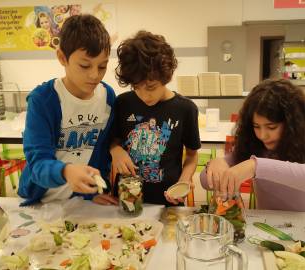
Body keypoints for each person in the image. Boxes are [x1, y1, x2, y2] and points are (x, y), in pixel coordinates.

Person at [18, 14, 118, 206]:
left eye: (102, 66)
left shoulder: (107, 97)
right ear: (62, 57)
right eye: (84, 65)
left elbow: (102, 152)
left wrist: (93, 192)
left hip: (80, 202)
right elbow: (37, 162)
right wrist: (65, 171)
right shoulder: (43, 101)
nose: (94, 75)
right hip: (42, 201)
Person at [201, 79, 305, 211]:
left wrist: (255, 166)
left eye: (271, 127)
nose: (262, 135)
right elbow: (205, 182)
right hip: (269, 224)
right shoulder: (253, 142)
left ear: (292, 124)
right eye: (256, 126)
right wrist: (216, 164)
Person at [111, 31, 201, 206]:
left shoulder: (185, 109)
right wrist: (115, 150)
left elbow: (191, 155)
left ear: (167, 77)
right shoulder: (123, 103)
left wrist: (184, 179)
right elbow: (113, 140)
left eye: (151, 87)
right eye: (136, 86)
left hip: (168, 200)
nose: (145, 95)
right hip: (126, 197)